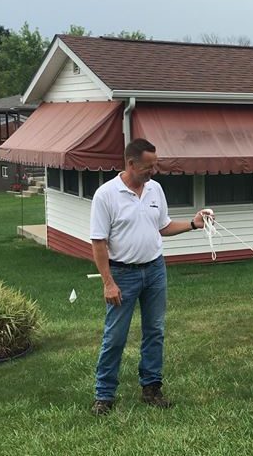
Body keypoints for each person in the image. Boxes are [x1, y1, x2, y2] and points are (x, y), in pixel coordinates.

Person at [89, 138, 213, 416]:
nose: (152, 172)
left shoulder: (155, 190)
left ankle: (151, 388)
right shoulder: (106, 195)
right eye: (148, 167)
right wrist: (108, 282)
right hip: (123, 274)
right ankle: (104, 395)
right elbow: (98, 242)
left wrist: (194, 224)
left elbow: (163, 226)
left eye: (155, 166)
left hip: (155, 270)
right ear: (130, 163)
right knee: (115, 336)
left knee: (154, 331)